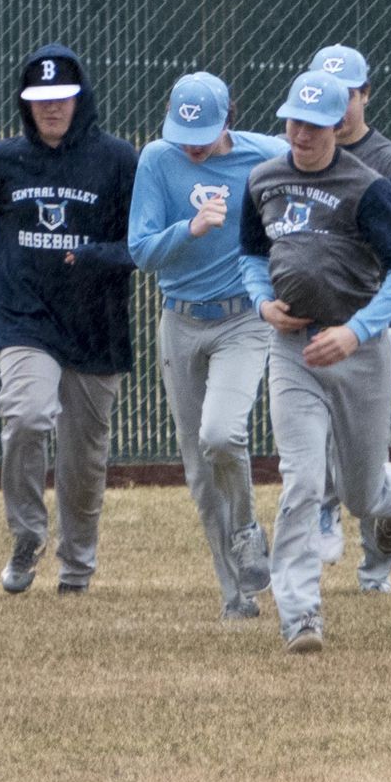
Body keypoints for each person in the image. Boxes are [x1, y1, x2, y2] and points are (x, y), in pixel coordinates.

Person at [0, 45, 137, 596]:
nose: (51, 108)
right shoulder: (2, 161)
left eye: (61, 97)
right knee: (26, 417)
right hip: (24, 315)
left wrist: (98, 256)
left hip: (95, 324)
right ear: (26, 104)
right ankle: (26, 536)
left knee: (83, 458)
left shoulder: (118, 161)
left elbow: (141, 242)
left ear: (80, 98)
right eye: (39, 98)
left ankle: (76, 568)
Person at [237, 70, 391, 653]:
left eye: (314, 124)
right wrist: (262, 303)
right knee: (302, 481)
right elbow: (249, 254)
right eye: (293, 120)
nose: (301, 133)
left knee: (361, 494)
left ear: (337, 125)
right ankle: (300, 614)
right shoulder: (263, 180)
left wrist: (357, 331)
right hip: (293, 351)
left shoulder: (367, 187)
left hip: (358, 353)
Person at [126, 72, 287, 618]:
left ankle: (245, 528)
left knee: (221, 433)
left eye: (205, 132)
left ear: (229, 120)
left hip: (243, 321)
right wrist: (189, 229)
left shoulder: (266, 155)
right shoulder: (157, 160)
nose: (192, 144)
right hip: (180, 321)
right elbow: (142, 250)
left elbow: (322, 165)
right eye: (183, 131)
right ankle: (236, 597)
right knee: (198, 471)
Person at [306, 43, 391, 567]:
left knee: (366, 454)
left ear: (366, 94)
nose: (336, 104)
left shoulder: (389, 163)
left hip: (365, 320)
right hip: (308, 316)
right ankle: (323, 510)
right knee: (314, 431)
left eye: (347, 93)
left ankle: (376, 565)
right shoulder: (298, 153)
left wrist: (372, 319)